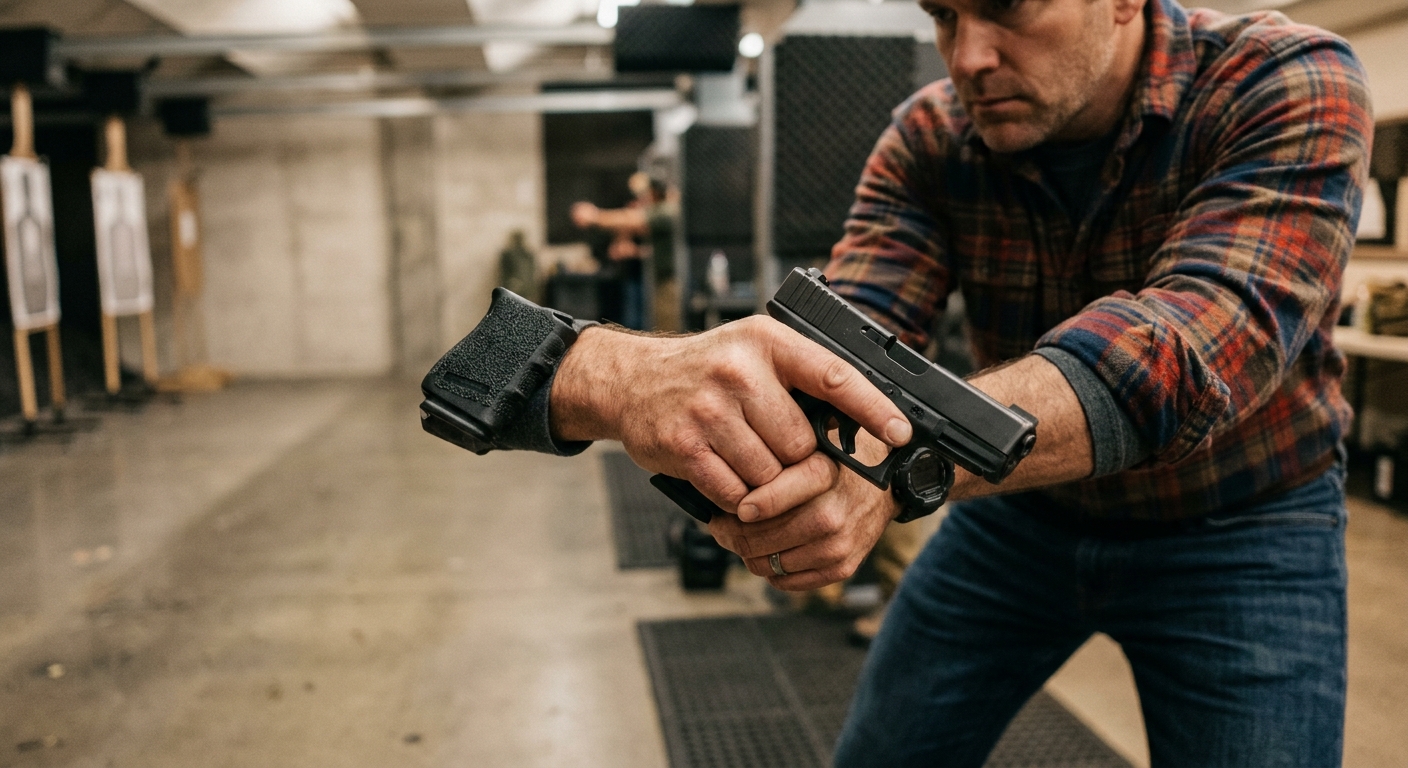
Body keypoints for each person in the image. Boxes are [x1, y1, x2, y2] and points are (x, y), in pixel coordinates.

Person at [477, 0, 1369, 764]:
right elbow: (847, 349)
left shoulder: (1284, 80)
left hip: (1243, 528)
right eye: (943, 15)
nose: (969, 55)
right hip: (1021, 524)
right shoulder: (930, 135)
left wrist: (898, 473)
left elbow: (1189, 349)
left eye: (1007, 8)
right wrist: (654, 383)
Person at [571, 172, 678, 331]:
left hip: (670, 278)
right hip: (657, 276)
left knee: (667, 327)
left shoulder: (666, 210)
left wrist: (595, 216)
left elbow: (633, 220)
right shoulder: (658, 209)